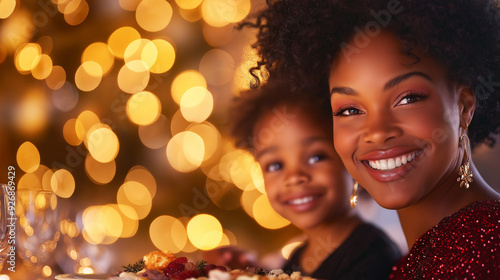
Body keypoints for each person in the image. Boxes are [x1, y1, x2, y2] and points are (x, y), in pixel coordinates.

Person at [239, 0, 500, 279]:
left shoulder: (482, 251)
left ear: (464, 105)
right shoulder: (424, 255)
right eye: (349, 109)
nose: (376, 131)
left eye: (408, 98)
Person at [227, 80, 401, 279]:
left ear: (350, 158)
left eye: (316, 157)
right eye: (275, 165)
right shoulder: (295, 258)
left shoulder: (373, 256)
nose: (294, 177)